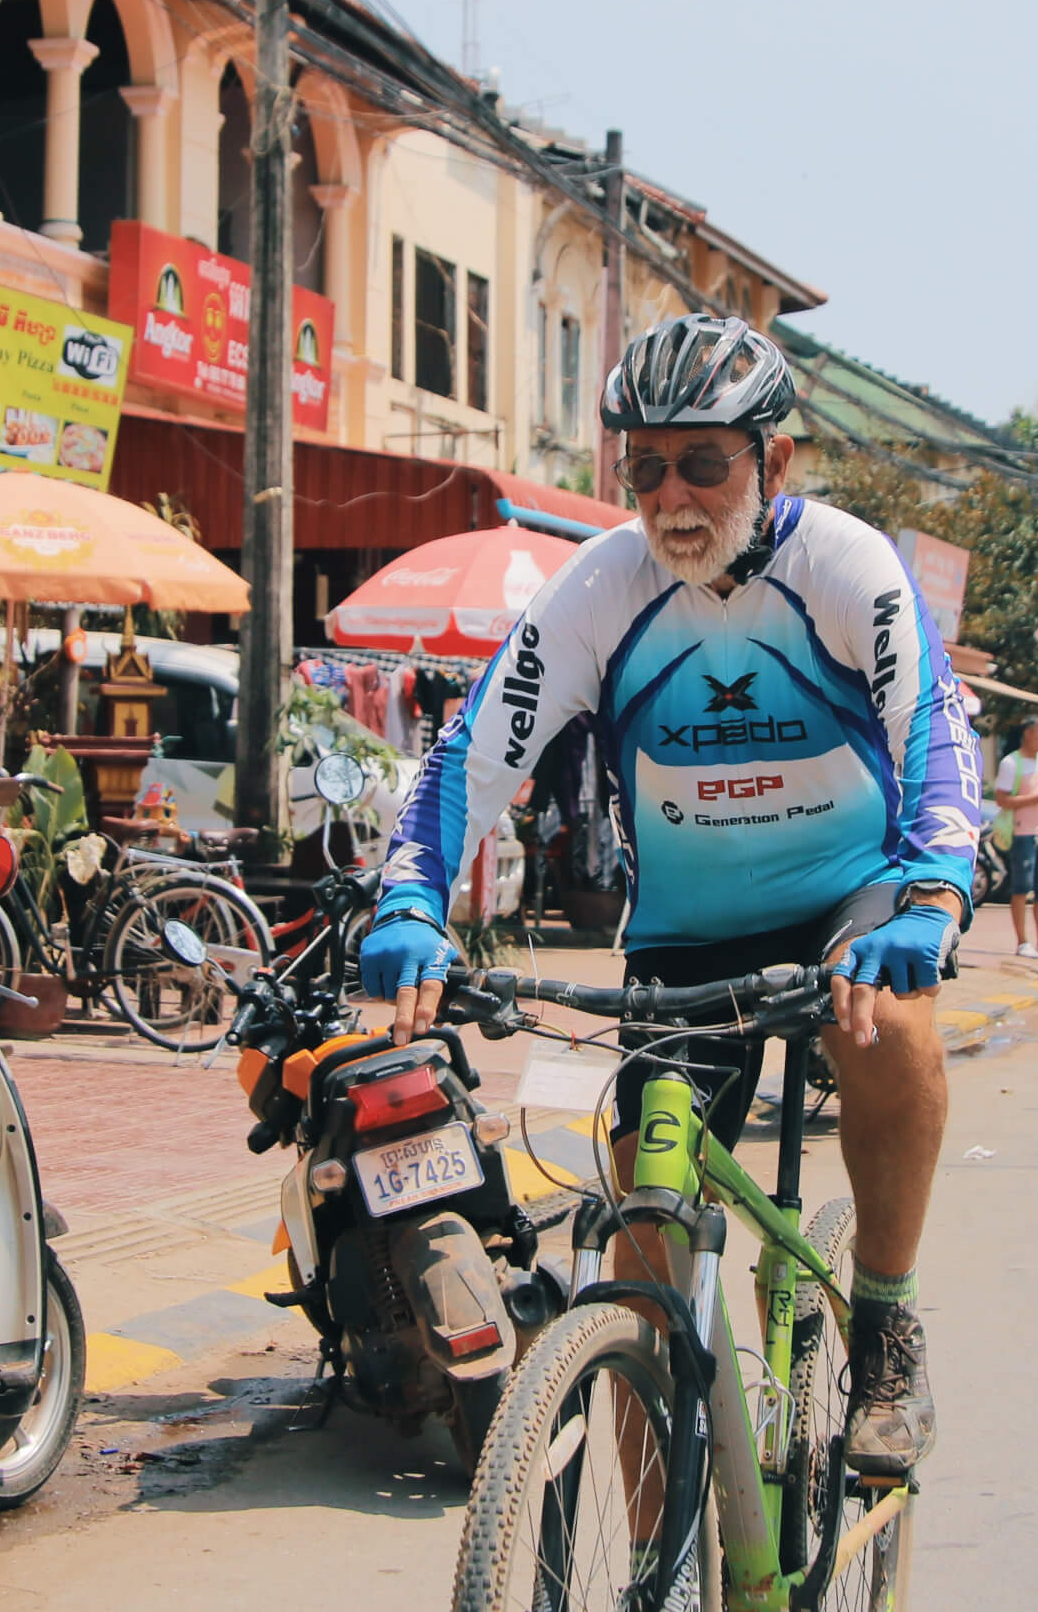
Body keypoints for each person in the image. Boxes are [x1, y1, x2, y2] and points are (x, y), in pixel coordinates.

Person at [357, 314, 980, 1474]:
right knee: (641, 1258)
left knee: (890, 1022)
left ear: (773, 460)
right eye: (644, 467)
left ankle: (886, 1324)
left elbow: (930, 723)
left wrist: (934, 891)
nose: (671, 497)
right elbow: (470, 757)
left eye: (704, 462)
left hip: (853, 901)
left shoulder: (842, 563)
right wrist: (411, 899)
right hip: (688, 939)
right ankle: (657, 1558)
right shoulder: (601, 585)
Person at [992, 715, 1038, 959]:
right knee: (1022, 887)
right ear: (1028, 733)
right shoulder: (1011, 763)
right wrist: (1034, 798)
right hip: (1023, 831)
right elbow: (1002, 799)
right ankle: (1022, 941)